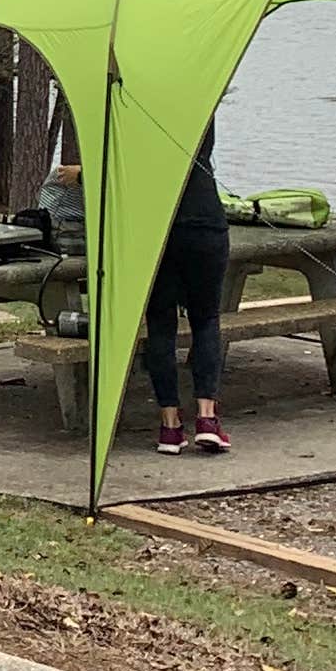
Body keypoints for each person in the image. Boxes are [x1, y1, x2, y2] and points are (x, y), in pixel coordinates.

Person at [144, 121, 232, 455]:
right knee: (206, 319)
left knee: (160, 323)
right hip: (205, 218)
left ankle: (170, 425)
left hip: (159, 222)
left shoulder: (138, 102)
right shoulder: (200, 99)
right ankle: (207, 418)